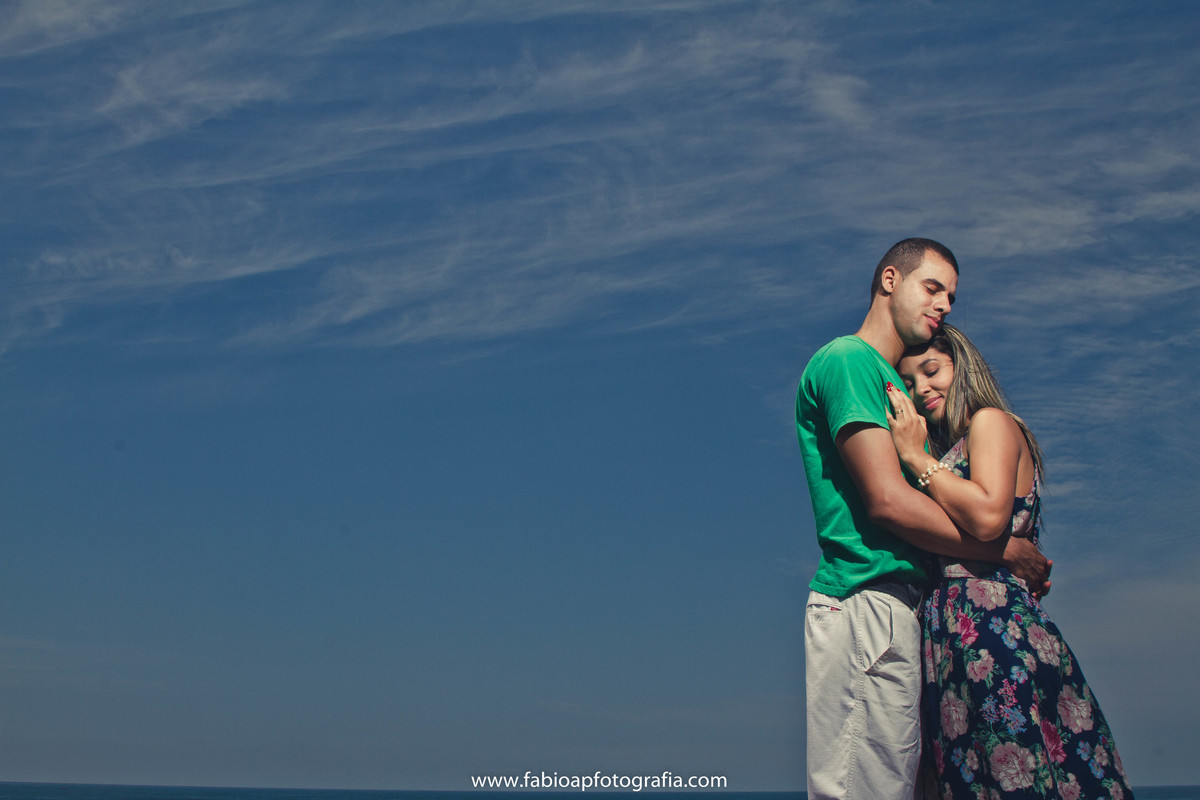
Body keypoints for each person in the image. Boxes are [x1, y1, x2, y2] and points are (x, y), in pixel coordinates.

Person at [795, 238, 1051, 800]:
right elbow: (886, 500)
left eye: (952, 298)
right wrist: (1003, 552)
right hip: (866, 598)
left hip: (906, 612)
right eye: (932, 287)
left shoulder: (894, 389)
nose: (944, 306)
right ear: (890, 280)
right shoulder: (849, 360)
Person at [886, 324, 1134, 799]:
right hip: (951, 634)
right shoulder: (952, 451)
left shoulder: (991, 422)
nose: (923, 389)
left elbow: (986, 515)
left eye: (932, 370)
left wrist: (916, 459)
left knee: (1022, 771)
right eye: (910, 384)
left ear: (962, 365)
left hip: (995, 626)